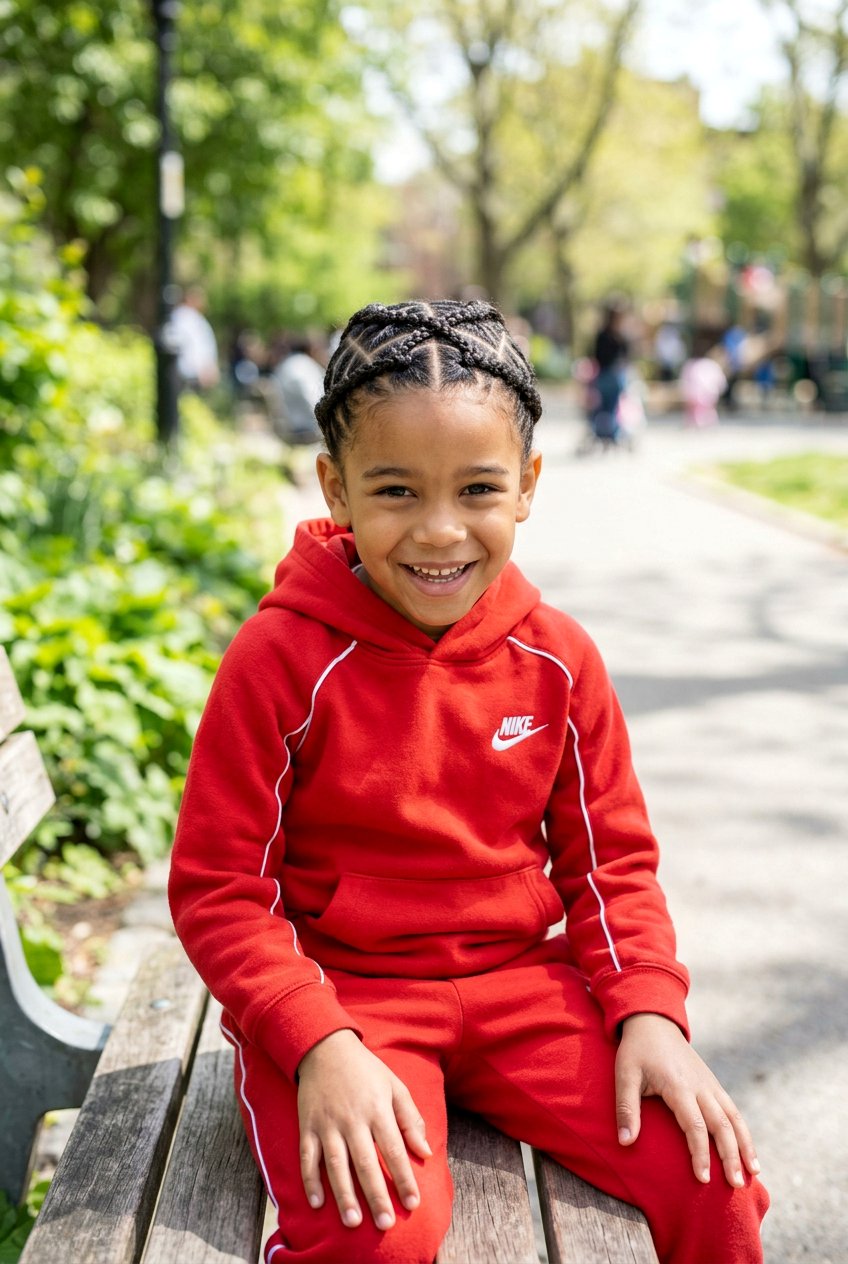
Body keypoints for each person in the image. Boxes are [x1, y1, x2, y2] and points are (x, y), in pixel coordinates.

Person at [168, 299, 769, 1264]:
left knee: (715, 1176)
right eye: (396, 491)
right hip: (344, 999)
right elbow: (220, 887)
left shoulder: (559, 660)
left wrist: (650, 1011)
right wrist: (314, 1041)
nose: (440, 532)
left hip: (524, 992)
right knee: (380, 1237)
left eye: (479, 488)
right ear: (336, 488)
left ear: (528, 484)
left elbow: (612, 863)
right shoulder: (279, 659)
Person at [589, 304, 629, 442]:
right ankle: (609, 434)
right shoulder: (616, 336)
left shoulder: (608, 335)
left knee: (605, 408)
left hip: (606, 376)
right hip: (611, 376)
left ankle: (604, 433)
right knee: (610, 407)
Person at [168, 285, 220, 391]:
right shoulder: (184, 317)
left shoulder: (192, 317)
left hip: (196, 375)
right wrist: (201, 369)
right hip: (191, 376)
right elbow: (190, 346)